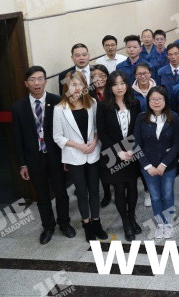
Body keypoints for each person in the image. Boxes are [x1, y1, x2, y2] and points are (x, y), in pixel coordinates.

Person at [12, 66, 74, 244]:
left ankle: (64, 224)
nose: (37, 83)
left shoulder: (57, 101)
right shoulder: (18, 107)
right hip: (34, 159)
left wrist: (66, 157)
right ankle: (48, 227)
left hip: (56, 156)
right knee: (42, 195)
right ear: (26, 83)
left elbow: (66, 132)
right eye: (32, 80)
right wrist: (22, 164)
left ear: (46, 81)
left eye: (40, 79)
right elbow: (17, 137)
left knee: (61, 192)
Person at [53, 70, 107, 242]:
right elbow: (57, 137)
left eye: (80, 84)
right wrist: (79, 146)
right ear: (66, 87)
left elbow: (98, 128)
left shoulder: (92, 103)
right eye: (73, 85)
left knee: (94, 190)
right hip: (74, 156)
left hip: (93, 153)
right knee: (82, 192)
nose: (77, 88)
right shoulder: (59, 109)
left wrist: (94, 142)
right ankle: (87, 224)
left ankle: (97, 222)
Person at [96, 71, 142, 241]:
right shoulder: (103, 106)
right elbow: (102, 133)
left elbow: (138, 129)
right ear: (110, 87)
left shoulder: (135, 103)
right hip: (113, 153)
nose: (119, 87)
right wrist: (118, 151)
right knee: (119, 189)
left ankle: (132, 217)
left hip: (131, 152)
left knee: (132, 187)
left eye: (122, 83)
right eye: (115, 84)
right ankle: (125, 222)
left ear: (127, 85)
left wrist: (131, 149)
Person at [134, 86, 179, 239]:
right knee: (155, 196)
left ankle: (169, 223)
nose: (156, 102)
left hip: (168, 166)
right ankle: (160, 224)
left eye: (159, 99)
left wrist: (164, 164)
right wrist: (148, 166)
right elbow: (136, 144)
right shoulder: (141, 118)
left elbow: (177, 144)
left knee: (167, 194)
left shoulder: (174, 117)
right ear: (148, 101)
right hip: (148, 167)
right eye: (153, 99)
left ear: (165, 100)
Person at [89, 63, 110, 207]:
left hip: (112, 133)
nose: (99, 79)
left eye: (102, 76)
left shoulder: (114, 90)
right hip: (96, 134)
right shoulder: (88, 94)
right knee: (103, 166)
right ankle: (107, 193)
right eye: (95, 76)